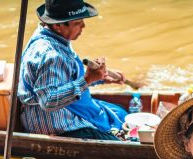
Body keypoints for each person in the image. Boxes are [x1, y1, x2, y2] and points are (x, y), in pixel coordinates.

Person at [18, 0, 127, 140]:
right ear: (58, 25)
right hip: (52, 121)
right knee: (117, 143)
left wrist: (99, 78)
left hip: (64, 108)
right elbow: (48, 101)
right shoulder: (51, 55)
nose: (84, 26)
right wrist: (87, 80)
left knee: (120, 113)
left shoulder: (51, 36)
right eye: (78, 23)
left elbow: (64, 77)